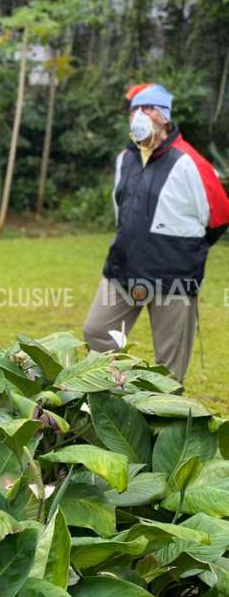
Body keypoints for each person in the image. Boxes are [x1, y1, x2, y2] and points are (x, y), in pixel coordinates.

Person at [83, 83, 229, 381]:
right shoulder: (126, 159)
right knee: (96, 333)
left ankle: (164, 420)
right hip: (123, 272)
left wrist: (179, 250)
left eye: (147, 108)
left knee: (168, 367)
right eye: (134, 109)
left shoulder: (191, 162)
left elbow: (219, 218)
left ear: (164, 116)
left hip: (172, 278)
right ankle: (116, 394)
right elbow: (121, 212)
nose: (139, 114)